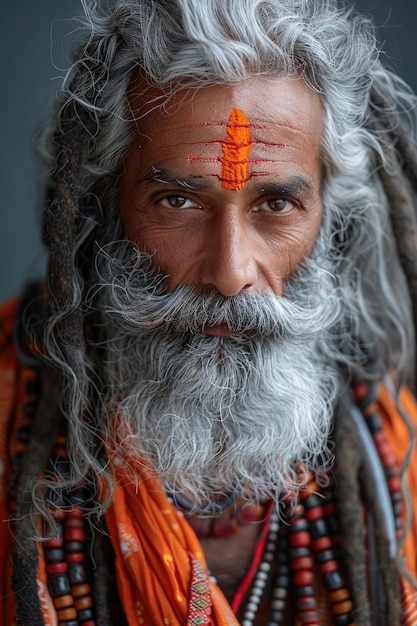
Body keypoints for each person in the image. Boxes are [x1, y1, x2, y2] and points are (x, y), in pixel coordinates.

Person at [2, 0, 417, 624]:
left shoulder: (398, 445)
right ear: (104, 204)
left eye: (276, 204)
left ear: (330, 216)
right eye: (177, 200)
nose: (230, 273)